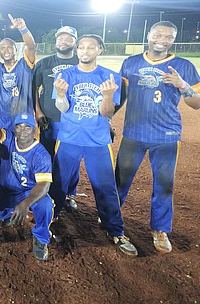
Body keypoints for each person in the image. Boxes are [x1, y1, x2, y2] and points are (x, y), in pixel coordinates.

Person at [115, 21, 200, 253]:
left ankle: (160, 229)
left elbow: (198, 103)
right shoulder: (130, 62)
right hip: (134, 133)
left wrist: (182, 85)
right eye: (158, 35)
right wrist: (106, 117)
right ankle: (111, 219)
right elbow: (121, 95)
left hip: (166, 134)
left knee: (164, 185)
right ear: (148, 35)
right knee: (121, 180)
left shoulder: (183, 66)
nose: (162, 40)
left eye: (168, 37)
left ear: (173, 40)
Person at [51, 34, 137, 257]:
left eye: (91, 47)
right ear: (77, 50)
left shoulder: (109, 76)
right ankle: (49, 218)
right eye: (81, 47)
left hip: (97, 140)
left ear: (100, 49)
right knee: (58, 183)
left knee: (105, 186)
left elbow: (107, 113)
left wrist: (108, 96)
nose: (85, 51)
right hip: (69, 137)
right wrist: (61, 93)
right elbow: (62, 107)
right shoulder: (65, 74)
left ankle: (115, 230)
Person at [0, 112, 54, 261]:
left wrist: (25, 204)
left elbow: (44, 185)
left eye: (28, 127)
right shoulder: (9, 138)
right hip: (6, 191)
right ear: (15, 129)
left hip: (28, 193)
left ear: (35, 130)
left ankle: (40, 238)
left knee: (45, 204)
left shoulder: (41, 154)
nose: (23, 131)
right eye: (19, 127)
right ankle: (13, 214)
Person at [32, 25, 80, 211]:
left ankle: (69, 194)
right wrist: (38, 112)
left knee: (72, 160)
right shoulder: (44, 64)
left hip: (75, 121)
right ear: (56, 41)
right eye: (61, 38)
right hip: (50, 119)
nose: (64, 41)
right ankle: (46, 191)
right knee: (47, 156)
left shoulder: (81, 62)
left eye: (68, 38)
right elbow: (34, 89)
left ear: (75, 42)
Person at [0, 15, 36, 130]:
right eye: (2, 48)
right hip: (1, 117)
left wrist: (23, 28)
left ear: (16, 49)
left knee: (23, 146)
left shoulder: (24, 64)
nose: (6, 50)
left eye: (9, 47)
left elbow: (31, 46)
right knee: (3, 146)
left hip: (22, 117)